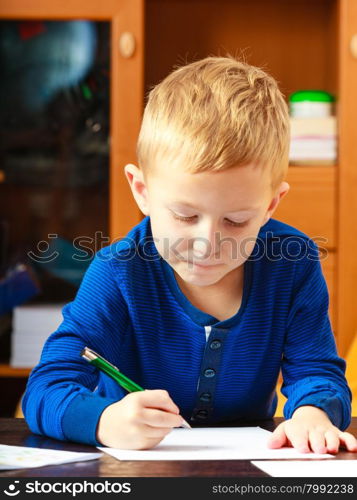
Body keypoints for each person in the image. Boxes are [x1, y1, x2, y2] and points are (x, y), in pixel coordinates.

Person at [23, 56, 357, 453]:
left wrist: (313, 415)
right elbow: (45, 389)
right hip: (131, 468)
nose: (206, 243)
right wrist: (103, 421)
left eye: (235, 221)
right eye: (185, 215)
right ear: (142, 191)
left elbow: (317, 372)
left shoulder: (293, 264)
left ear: (271, 204)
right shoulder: (118, 272)